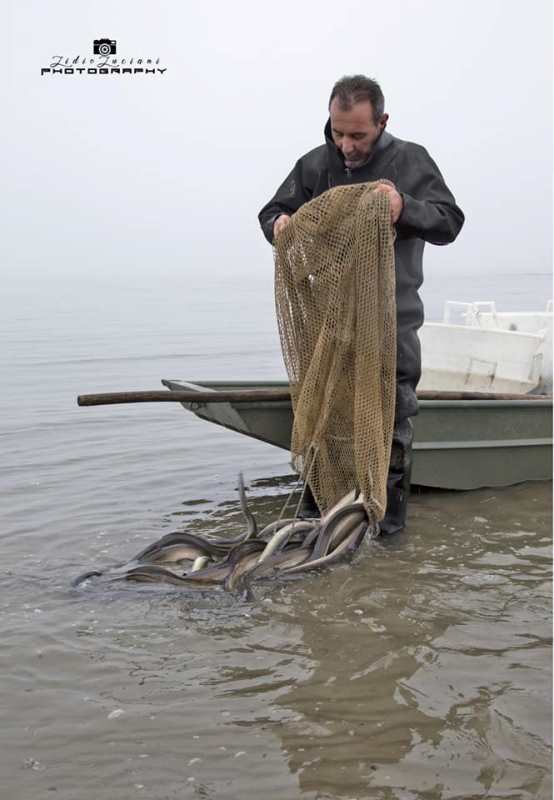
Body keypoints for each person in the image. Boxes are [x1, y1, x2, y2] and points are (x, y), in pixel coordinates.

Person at [258, 75, 465, 534]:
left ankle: (387, 545)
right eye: (337, 132)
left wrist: (403, 207)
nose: (346, 145)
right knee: (322, 426)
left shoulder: (411, 159)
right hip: (330, 327)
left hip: (392, 323)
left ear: (382, 122)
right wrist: (282, 224)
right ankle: (316, 532)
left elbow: (450, 221)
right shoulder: (314, 165)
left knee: (390, 432)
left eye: (358, 135)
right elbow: (270, 212)